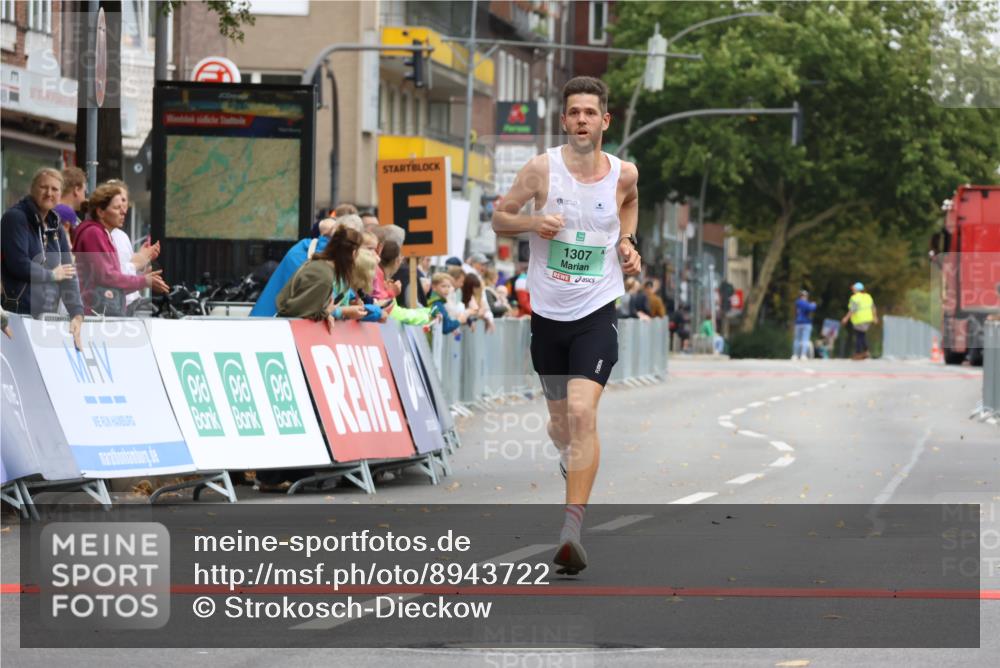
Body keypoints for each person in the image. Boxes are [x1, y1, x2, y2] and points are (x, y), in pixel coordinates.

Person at [492, 75, 641, 575]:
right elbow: (500, 218)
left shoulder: (623, 173)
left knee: (582, 412)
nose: (582, 120)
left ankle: (571, 530)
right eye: (573, 112)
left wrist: (628, 243)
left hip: (596, 309)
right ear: (564, 120)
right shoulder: (541, 170)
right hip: (548, 314)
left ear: (605, 120)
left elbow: (630, 206)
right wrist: (534, 223)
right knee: (560, 425)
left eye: (590, 113)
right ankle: (569, 461)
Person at [0, 167, 85, 349]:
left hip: (45, 319)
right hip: (16, 315)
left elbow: (68, 273)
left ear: (61, 194)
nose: (49, 193)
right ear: (32, 189)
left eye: (55, 189)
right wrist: (52, 275)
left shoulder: (56, 226)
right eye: (43, 187)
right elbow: (18, 263)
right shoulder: (15, 218)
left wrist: (77, 313)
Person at [74, 183, 169, 315]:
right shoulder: (93, 233)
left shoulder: (102, 234)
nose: (124, 211)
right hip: (94, 318)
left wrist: (143, 279)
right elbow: (107, 277)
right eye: (117, 207)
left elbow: (111, 285)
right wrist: (143, 281)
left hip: (99, 315)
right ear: (101, 212)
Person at [250, 214, 361, 317]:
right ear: (352, 251)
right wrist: (334, 312)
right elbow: (302, 311)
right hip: (271, 328)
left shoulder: (316, 258)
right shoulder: (322, 271)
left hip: (266, 323)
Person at [275, 226, 369, 326]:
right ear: (354, 254)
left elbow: (306, 308)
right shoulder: (323, 276)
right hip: (290, 332)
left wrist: (328, 313)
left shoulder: (321, 267)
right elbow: (297, 312)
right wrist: (329, 312)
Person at [841, 281, 877, 359]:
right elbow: (873, 307)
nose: (852, 290)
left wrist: (846, 318)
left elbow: (853, 309)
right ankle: (865, 351)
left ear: (857, 289)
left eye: (854, 289)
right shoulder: (868, 296)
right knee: (862, 335)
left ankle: (858, 352)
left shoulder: (855, 298)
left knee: (859, 336)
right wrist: (875, 317)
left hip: (859, 319)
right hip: (868, 319)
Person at [53, 166, 87, 242]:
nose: (85, 198)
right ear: (77, 190)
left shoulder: (54, 208)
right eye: (84, 192)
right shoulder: (65, 211)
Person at [793, 289, 817, 360]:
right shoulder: (804, 303)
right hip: (806, 323)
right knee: (805, 340)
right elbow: (811, 308)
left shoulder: (797, 303)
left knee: (797, 340)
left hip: (798, 323)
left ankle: (795, 355)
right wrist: (813, 305)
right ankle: (803, 355)